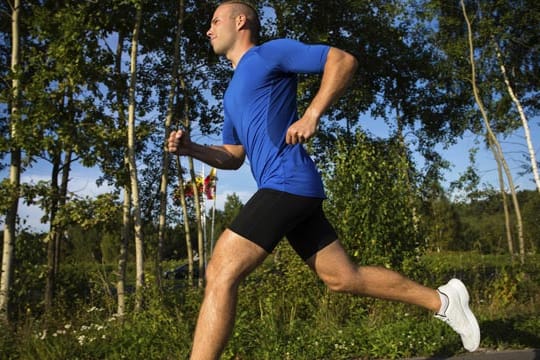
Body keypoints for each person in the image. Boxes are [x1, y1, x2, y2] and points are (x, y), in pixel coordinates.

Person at [167, 1, 481, 359]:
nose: (208, 29)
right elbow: (233, 156)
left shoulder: (270, 53)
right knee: (343, 278)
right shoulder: (232, 91)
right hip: (289, 187)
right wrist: (192, 148)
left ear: (241, 21)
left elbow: (342, 60)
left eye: (215, 20)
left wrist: (312, 114)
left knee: (221, 270)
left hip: (287, 182)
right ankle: (443, 300)